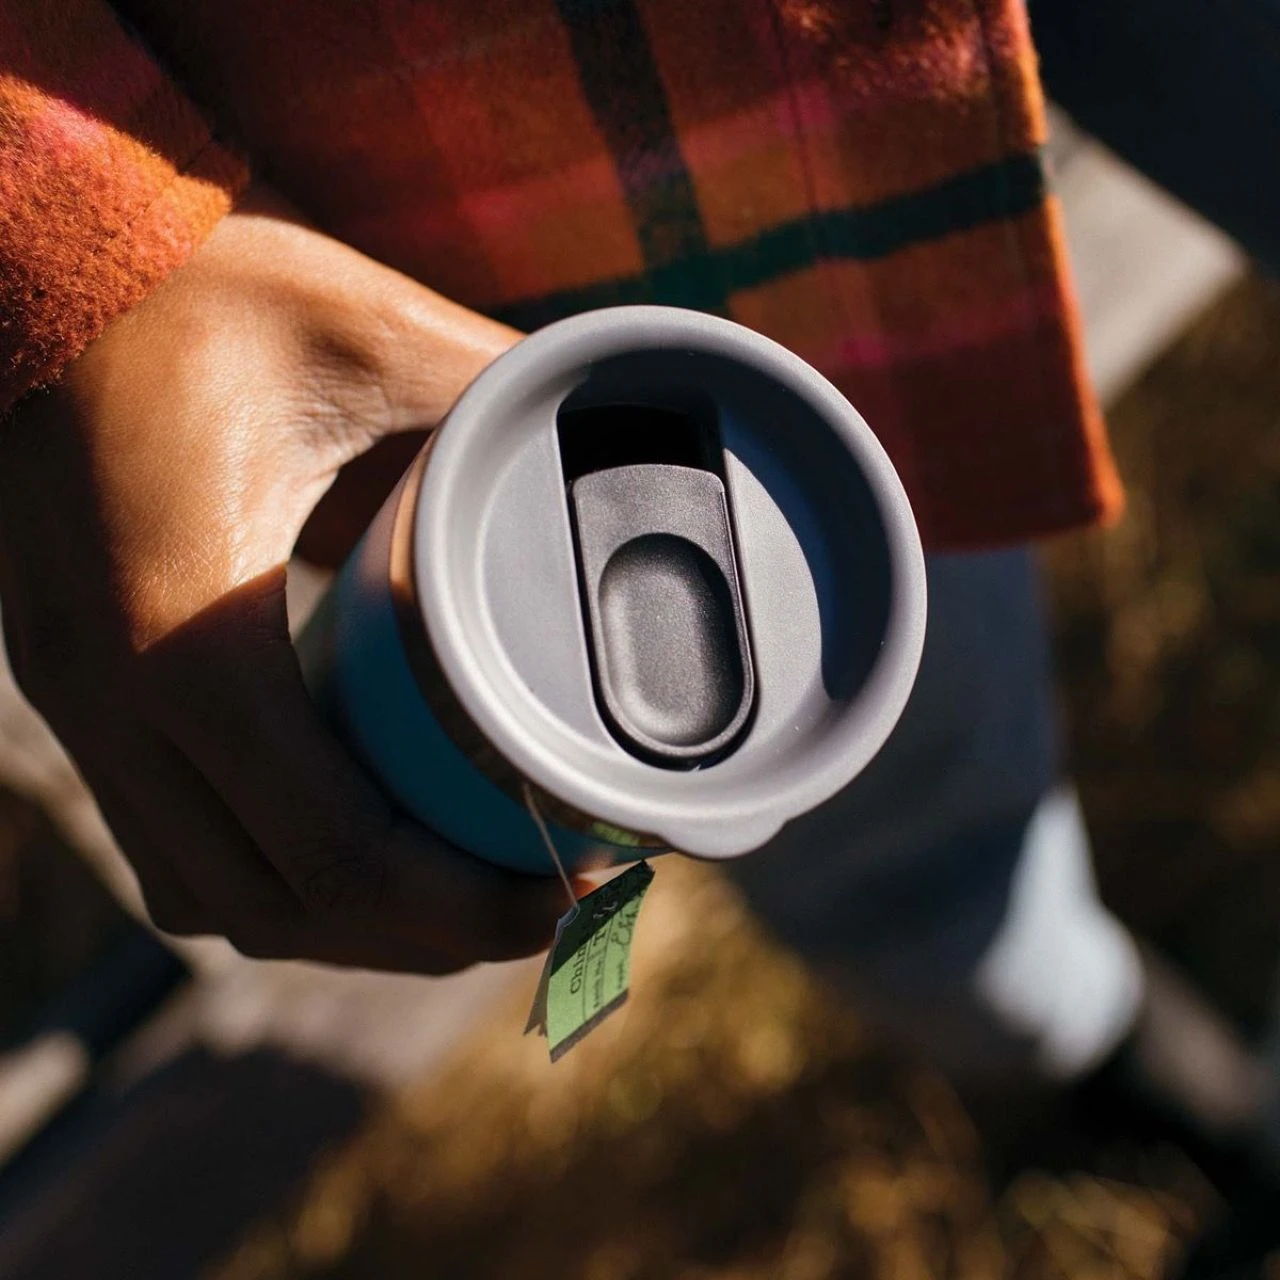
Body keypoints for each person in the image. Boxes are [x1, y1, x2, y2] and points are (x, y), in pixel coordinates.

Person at [1, 0, 1276, 1235]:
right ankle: (1076, 1036)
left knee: (877, 752)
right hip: (535, 195)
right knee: (910, 796)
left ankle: (1046, 1010)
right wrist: (73, 234)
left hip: (639, 287)